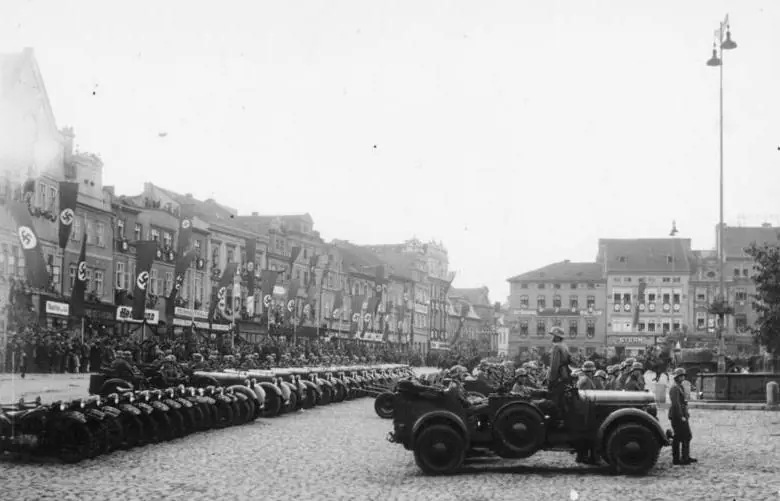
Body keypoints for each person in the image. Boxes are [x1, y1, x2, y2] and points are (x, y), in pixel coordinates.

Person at [669, 368, 697, 465]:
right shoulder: (674, 388)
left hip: (682, 415)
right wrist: (681, 416)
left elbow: (682, 402)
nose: (683, 377)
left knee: (686, 436)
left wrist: (686, 413)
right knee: (679, 437)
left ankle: (685, 457)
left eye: (683, 376)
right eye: (681, 376)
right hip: (677, 416)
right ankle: (678, 459)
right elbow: (676, 404)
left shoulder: (679, 387)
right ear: (677, 377)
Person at [548, 327, 573, 422]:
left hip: (558, 376)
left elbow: (554, 366)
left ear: (557, 337)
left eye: (553, 335)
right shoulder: (565, 346)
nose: (552, 338)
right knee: (562, 399)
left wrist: (551, 380)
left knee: (554, 400)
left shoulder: (556, 347)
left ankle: (555, 421)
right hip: (564, 376)